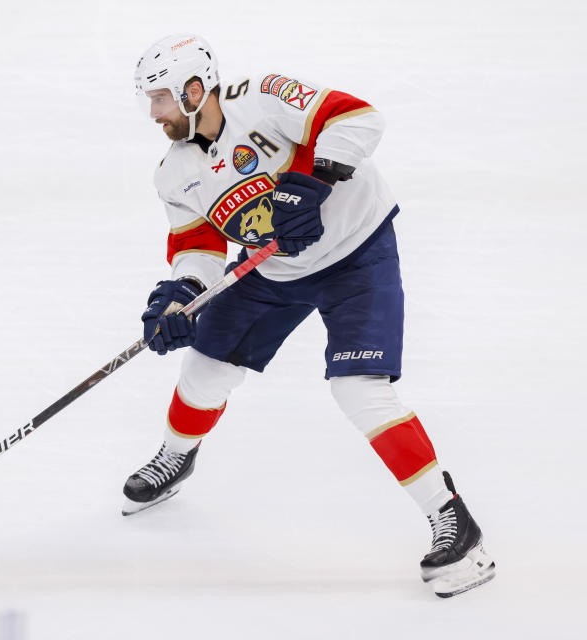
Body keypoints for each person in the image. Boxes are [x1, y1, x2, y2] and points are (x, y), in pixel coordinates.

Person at [124, 33, 495, 598]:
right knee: (204, 370)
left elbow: (358, 118)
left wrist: (314, 182)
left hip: (357, 254)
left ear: (195, 89)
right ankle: (177, 458)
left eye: (161, 98)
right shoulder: (173, 174)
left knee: (360, 392)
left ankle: (455, 523)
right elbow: (199, 245)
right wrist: (180, 296)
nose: (153, 113)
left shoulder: (265, 97)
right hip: (271, 272)